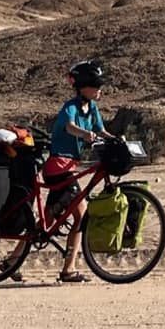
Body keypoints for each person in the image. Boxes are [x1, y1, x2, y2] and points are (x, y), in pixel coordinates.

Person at [50, 58, 111, 284]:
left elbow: (101, 130)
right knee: (81, 214)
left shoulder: (92, 108)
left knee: (47, 222)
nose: (99, 90)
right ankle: (69, 270)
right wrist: (84, 134)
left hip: (70, 167)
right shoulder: (71, 107)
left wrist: (118, 141)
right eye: (96, 85)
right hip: (58, 166)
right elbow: (69, 126)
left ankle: (12, 259)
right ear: (84, 86)